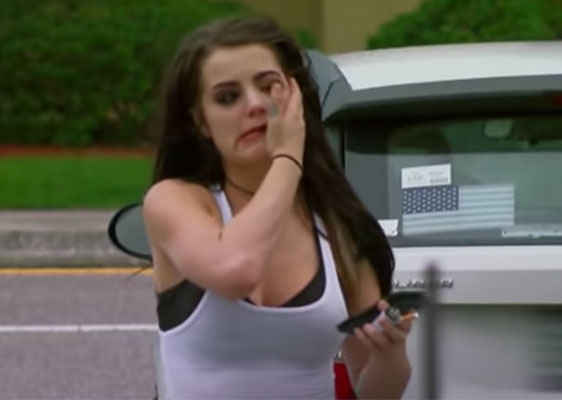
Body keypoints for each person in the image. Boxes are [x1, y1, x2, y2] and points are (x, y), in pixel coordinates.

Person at [143, 15, 414, 399]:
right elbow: (236, 270)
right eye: (227, 97)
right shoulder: (175, 200)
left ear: (295, 96)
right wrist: (288, 156)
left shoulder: (337, 226)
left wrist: (391, 353)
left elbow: (374, 392)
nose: (255, 105)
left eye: (268, 86)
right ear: (201, 122)